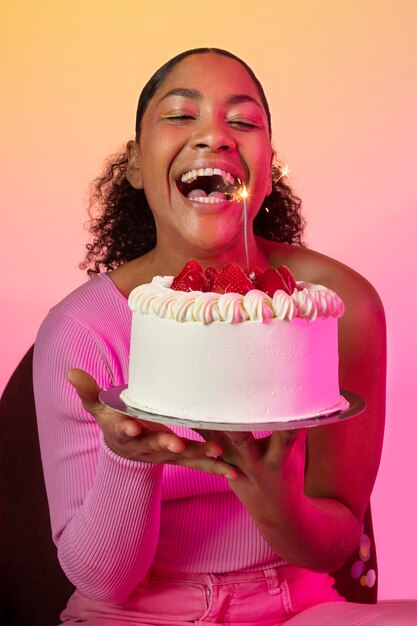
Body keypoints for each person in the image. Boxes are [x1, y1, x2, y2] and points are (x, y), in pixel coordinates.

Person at [33, 47, 396, 625]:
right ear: (133, 163)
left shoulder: (335, 306)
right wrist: (130, 459)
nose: (215, 136)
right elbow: (102, 581)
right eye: (180, 115)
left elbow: (335, 546)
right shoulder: (82, 329)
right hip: (134, 614)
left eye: (243, 121)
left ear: (269, 165)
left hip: (299, 604)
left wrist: (274, 498)